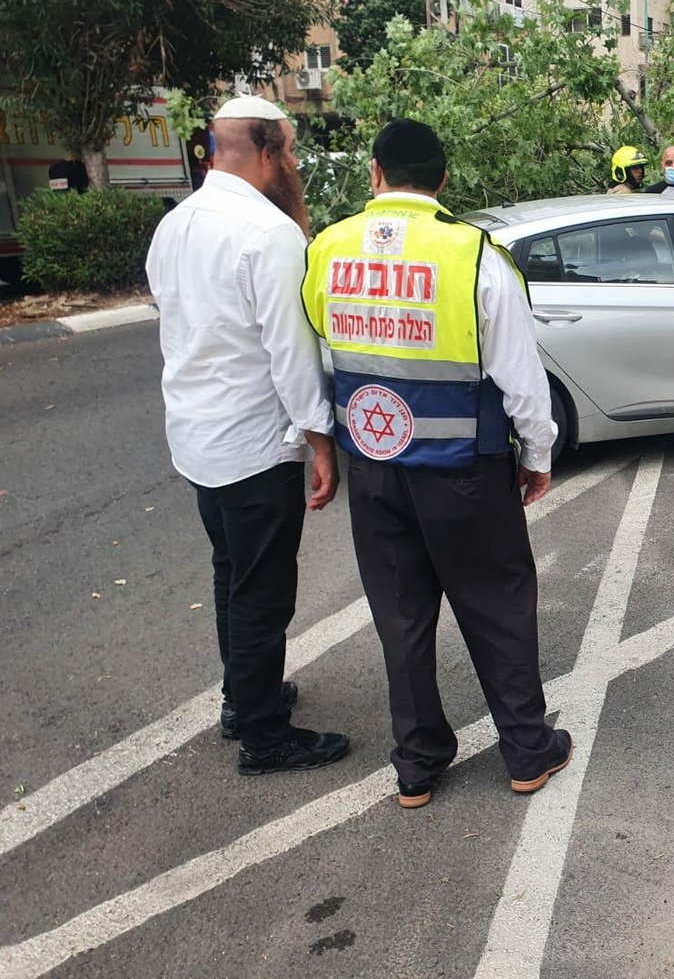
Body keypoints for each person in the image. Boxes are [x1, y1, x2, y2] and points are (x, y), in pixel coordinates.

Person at [301, 118, 571, 810]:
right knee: (498, 606)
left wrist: (320, 441)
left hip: (374, 465)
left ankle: (417, 766)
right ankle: (526, 754)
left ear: (374, 172)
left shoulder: (325, 250)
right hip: (465, 470)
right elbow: (520, 377)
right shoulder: (473, 255)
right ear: (444, 178)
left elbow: (313, 356)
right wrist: (537, 455)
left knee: (401, 615)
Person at [146, 95, 349, 776]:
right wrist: (320, 440)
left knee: (231, 572)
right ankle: (265, 735)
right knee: (263, 590)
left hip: (196, 440)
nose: (292, 162)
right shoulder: (269, 233)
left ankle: (242, 697)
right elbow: (290, 354)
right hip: (254, 445)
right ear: (263, 150)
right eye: (288, 149)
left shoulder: (174, 225)